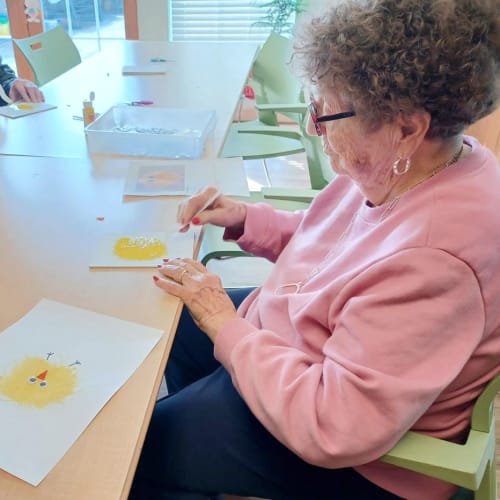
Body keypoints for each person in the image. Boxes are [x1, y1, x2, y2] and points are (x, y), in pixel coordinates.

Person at [130, 0, 500, 498]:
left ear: (407, 128)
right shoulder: (409, 162)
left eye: (326, 111)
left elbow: (335, 426)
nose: (312, 127)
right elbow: (333, 242)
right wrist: (246, 219)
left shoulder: (437, 260)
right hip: (298, 348)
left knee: (137, 453)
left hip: (357, 452)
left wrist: (226, 327)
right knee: (174, 316)